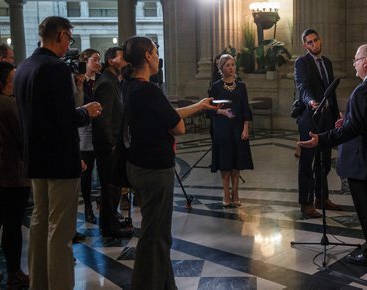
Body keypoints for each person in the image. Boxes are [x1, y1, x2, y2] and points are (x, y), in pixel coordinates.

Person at [121, 36, 219, 290]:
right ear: (147, 57)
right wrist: (179, 119)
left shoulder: (130, 85)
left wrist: (198, 106)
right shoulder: (149, 90)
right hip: (155, 168)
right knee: (154, 236)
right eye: (155, 51)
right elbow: (178, 128)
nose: (158, 56)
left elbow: (166, 115)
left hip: (138, 164)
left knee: (159, 233)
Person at [13, 16, 102, 289]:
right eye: (69, 39)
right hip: (60, 158)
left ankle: (38, 282)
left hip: (35, 157)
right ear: (61, 35)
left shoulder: (24, 67)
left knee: (40, 222)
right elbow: (63, 118)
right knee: (61, 230)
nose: (69, 46)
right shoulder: (56, 68)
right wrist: (86, 112)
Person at [298, 43, 367, 265]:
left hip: (364, 162)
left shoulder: (364, 89)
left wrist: (321, 139)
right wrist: (348, 120)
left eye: (356, 59)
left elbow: (354, 129)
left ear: (366, 61)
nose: (354, 64)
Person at [0, 61, 30, 288]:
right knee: (12, 226)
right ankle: (14, 272)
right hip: (11, 172)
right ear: (1, 83)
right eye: (12, 80)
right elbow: (23, 137)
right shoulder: (8, 105)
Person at [294, 28, 341, 219]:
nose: (314, 44)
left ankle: (322, 198)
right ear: (305, 45)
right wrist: (310, 101)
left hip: (328, 117)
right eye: (310, 42)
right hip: (310, 117)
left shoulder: (327, 62)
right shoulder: (302, 62)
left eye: (316, 40)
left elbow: (331, 90)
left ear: (320, 41)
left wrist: (337, 112)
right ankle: (306, 203)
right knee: (307, 161)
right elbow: (302, 86)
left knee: (324, 162)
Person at [92, 46, 130, 238]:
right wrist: (112, 144)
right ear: (111, 60)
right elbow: (103, 118)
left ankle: (111, 221)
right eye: (122, 58)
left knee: (113, 187)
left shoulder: (114, 81)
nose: (125, 62)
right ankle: (109, 226)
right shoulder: (107, 83)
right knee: (110, 188)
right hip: (109, 145)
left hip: (113, 143)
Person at [208, 54, 254, 208]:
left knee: (237, 162)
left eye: (233, 64)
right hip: (222, 127)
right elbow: (210, 109)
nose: (231, 67)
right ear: (221, 68)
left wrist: (245, 127)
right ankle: (226, 194)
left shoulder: (241, 86)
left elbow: (245, 108)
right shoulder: (216, 86)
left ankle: (236, 193)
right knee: (225, 161)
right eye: (227, 65)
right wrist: (222, 112)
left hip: (238, 127)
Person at [79, 48, 102, 224]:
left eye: (99, 60)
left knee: (103, 171)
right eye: (94, 59)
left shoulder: (101, 81)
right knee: (86, 173)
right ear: (85, 61)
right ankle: (87, 206)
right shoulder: (77, 82)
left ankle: (104, 203)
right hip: (84, 132)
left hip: (100, 130)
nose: (98, 63)